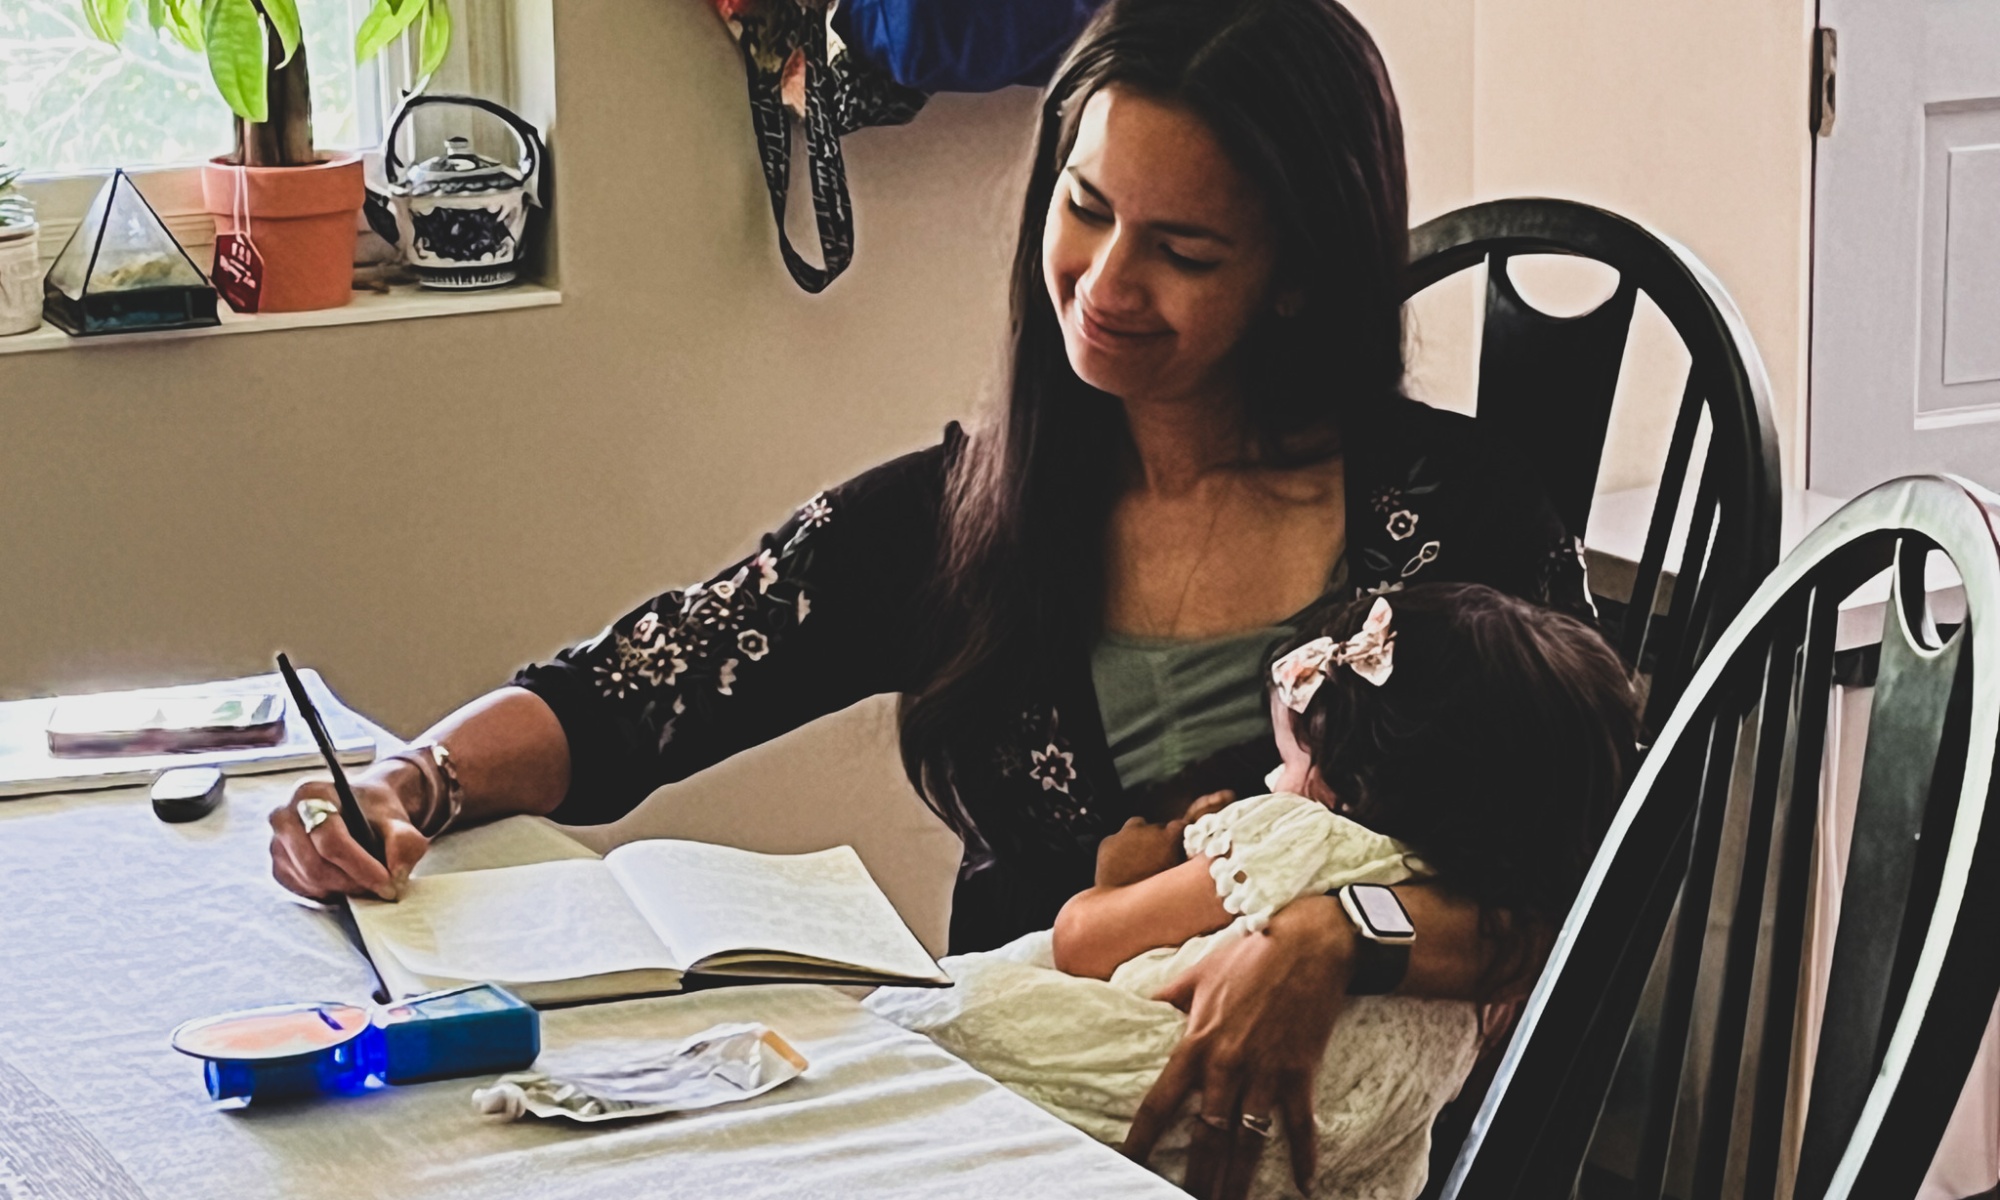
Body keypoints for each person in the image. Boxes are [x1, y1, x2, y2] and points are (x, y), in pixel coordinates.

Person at [269, 1, 1593, 1194]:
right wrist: (411, 784)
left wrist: (1339, 933)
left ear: (1297, 274)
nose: (1106, 284)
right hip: (1000, 1143)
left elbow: (1590, 882)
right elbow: (643, 685)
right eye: (1086, 208)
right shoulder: (962, 519)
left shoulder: (1458, 523)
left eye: (1184, 251)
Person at [863, 584, 1641, 1199]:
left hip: (1120, 1120)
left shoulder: (1299, 837)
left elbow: (1083, 943)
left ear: (1344, 787)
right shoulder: (1484, 957)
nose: (1270, 783)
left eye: (1288, 763)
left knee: (920, 1015)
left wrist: (1118, 875)